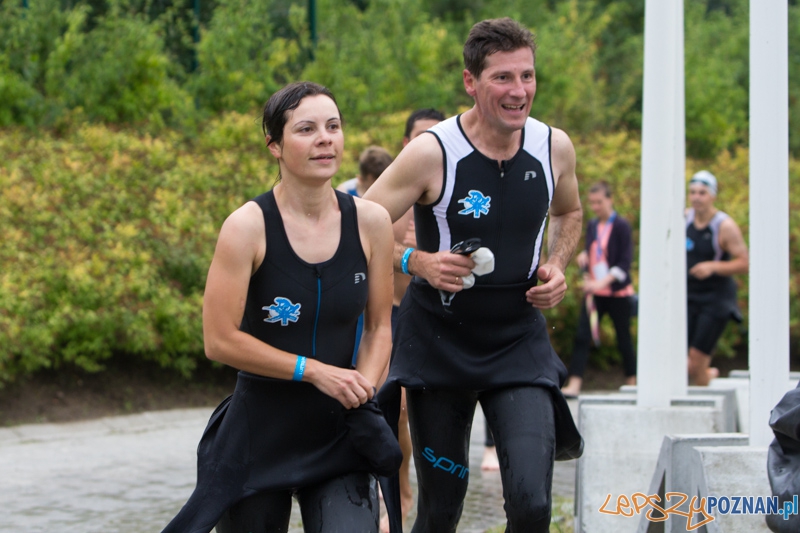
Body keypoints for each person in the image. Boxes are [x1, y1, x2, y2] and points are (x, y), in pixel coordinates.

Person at [364, 18, 584, 532]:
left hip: (517, 340)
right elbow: (359, 227)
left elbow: (569, 213)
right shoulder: (432, 152)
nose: (519, 91)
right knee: (441, 508)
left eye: (527, 76)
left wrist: (557, 264)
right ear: (471, 82)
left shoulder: (554, 147)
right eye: (503, 78)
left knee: (531, 506)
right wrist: (415, 262)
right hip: (439, 343)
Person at [161, 81, 401, 533]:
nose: (325, 138)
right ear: (274, 145)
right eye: (306, 129)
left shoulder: (371, 222)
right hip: (259, 434)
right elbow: (218, 340)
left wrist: (361, 394)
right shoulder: (246, 227)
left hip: (338, 432)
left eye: (333, 126)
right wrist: (312, 371)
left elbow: (378, 328)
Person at [561, 181, 636, 397]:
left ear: (610, 200)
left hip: (617, 293)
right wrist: (584, 257)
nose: (595, 207)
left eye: (599, 202)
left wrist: (602, 283)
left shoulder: (621, 226)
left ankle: (632, 381)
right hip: (594, 294)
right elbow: (593, 250)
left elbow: (624, 263)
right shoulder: (593, 225)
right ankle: (574, 383)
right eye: (592, 203)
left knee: (624, 338)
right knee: (583, 336)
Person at [685, 170, 748, 386]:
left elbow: (745, 262)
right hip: (690, 296)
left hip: (716, 299)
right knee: (684, 361)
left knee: (696, 359)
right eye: (692, 192)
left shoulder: (724, 226)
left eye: (702, 192)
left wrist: (713, 266)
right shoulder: (684, 220)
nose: (696, 197)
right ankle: (708, 377)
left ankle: (706, 406)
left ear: (712, 195)